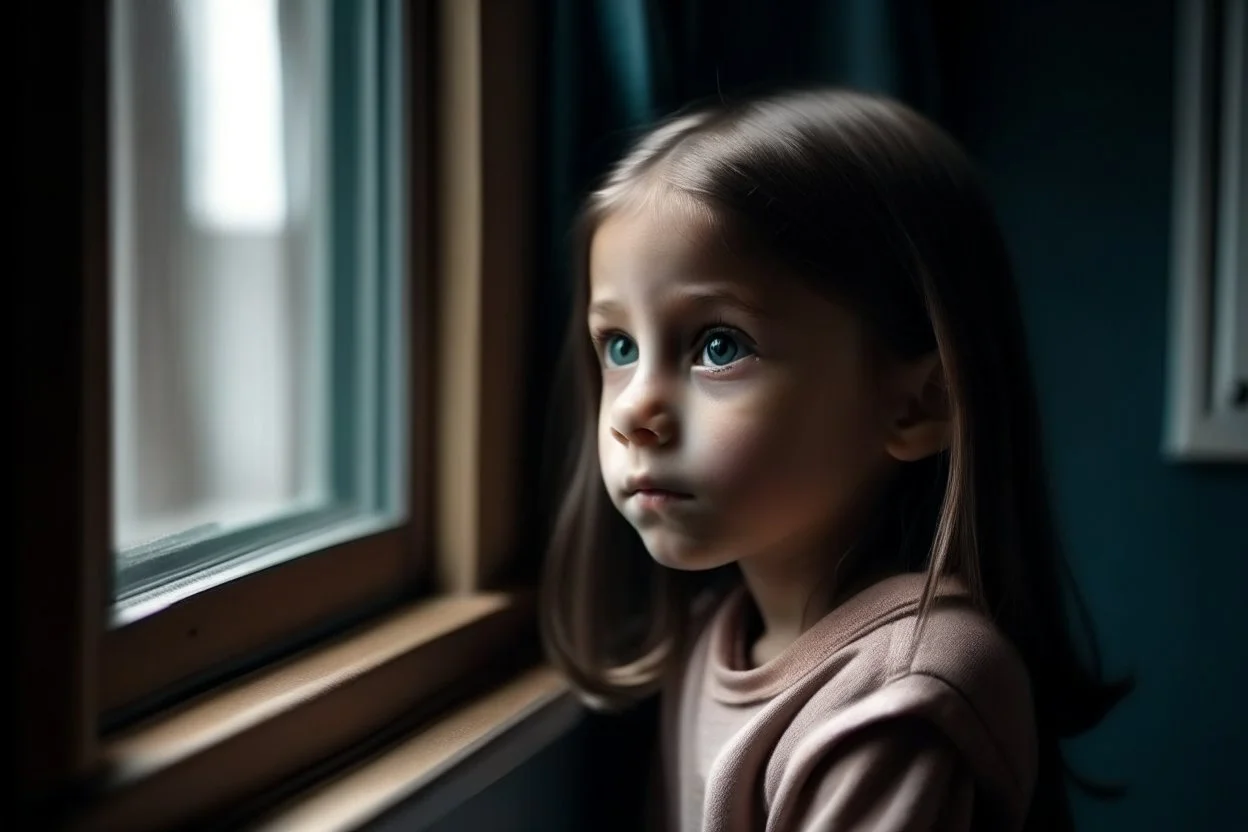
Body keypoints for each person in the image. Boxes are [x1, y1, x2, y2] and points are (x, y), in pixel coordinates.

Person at [541, 88, 1129, 831]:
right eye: (619, 347)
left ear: (918, 405)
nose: (632, 413)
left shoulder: (906, 697)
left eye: (720, 345)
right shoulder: (711, 635)